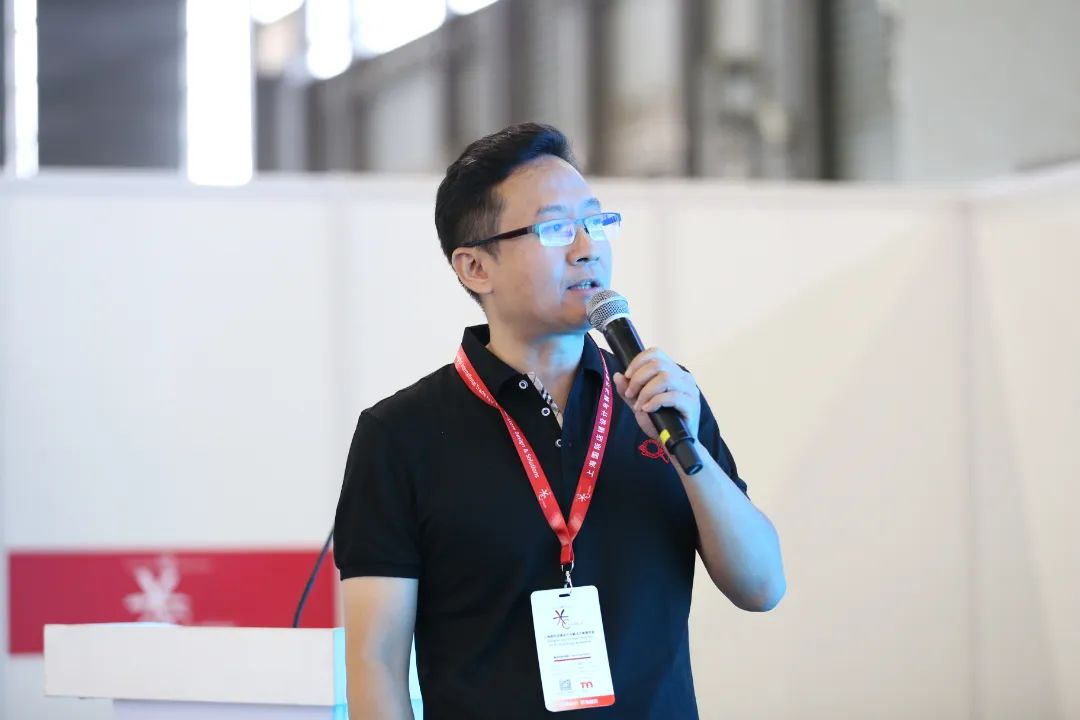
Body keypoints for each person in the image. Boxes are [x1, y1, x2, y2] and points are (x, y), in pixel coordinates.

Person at [333, 123, 785, 720]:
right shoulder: (401, 434)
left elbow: (762, 587)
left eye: (596, 222)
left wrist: (689, 454)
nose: (587, 247)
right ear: (475, 267)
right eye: (555, 229)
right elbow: (375, 663)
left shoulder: (664, 399)